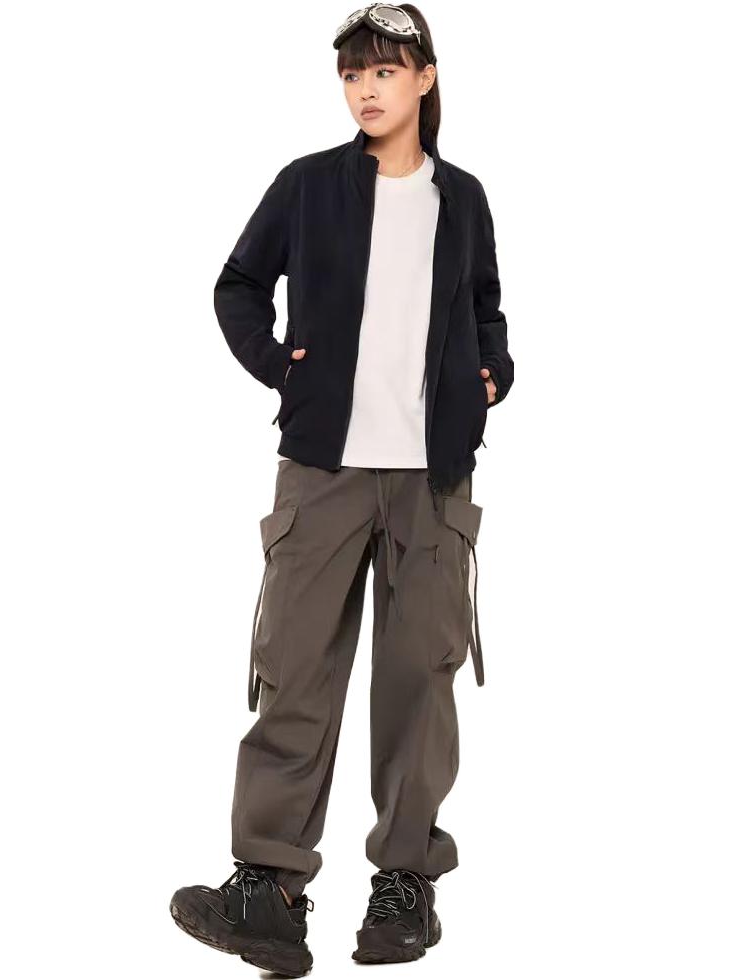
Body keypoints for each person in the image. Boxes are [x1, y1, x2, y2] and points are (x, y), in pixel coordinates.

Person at [169, 4, 513, 975]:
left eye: (385, 70)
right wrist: (279, 366)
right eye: (353, 73)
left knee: (417, 683)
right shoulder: (308, 185)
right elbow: (237, 285)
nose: (366, 88)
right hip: (322, 470)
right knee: (295, 672)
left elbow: (485, 308)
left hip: (432, 480)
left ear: (424, 79)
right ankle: (267, 892)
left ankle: (403, 889)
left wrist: (492, 373)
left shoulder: (463, 199)